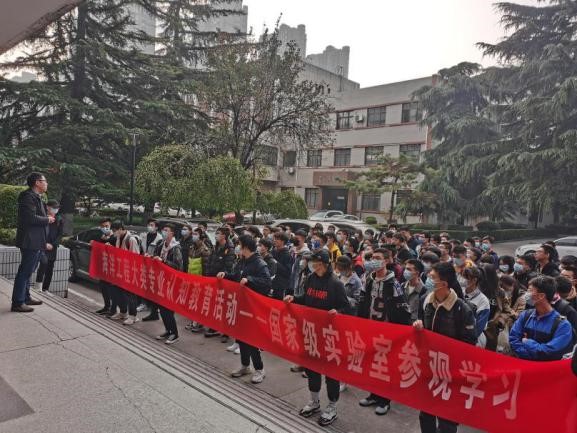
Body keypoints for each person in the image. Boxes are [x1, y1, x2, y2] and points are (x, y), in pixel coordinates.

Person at [284, 250, 350, 427]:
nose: (313, 264)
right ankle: (314, 401)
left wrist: (338, 312)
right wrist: (294, 299)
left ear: (324, 263)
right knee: (312, 368)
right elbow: (305, 298)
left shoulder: (336, 284)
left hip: (329, 336)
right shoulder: (311, 279)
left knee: (331, 373)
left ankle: (332, 407)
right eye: (312, 261)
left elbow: (347, 307)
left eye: (316, 261)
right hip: (311, 332)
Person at [414, 262, 476, 433]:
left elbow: (469, 342)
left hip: (450, 371)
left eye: (432, 277)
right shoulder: (425, 301)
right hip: (429, 366)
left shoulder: (462, 309)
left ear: (444, 283)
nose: (428, 279)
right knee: (426, 412)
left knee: (447, 416)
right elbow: (420, 324)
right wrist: (418, 328)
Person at [357, 248, 410, 416]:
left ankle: (385, 400)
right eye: (372, 257)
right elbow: (362, 302)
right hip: (371, 328)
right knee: (372, 364)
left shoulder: (393, 283)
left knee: (386, 367)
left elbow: (402, 310)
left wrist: (400, 332)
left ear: (386, 261)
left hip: (387, 332)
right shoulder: (368, 279)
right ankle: (373, 394)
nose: (373, 260)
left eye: (378, 258)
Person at [217, 235, 271, 384]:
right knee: (241, 336)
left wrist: (250, 280)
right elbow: (236, 276)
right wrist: (225, 275)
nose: (238, 248)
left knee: (252, 339)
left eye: (240, 245)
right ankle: (245, 365)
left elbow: (267, 283)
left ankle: (259, 369)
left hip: (252, 308)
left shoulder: (259, 264)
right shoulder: (242, 261)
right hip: (241, 305)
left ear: (246, 247)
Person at [12, 172, 54, 312]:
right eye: (44, 181)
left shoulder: (36, 197)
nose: (46, 183)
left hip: (36, 241)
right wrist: (47, 219)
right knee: (25, 271)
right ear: (37, 182)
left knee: (29, 271)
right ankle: (18, 302)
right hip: (30, 241)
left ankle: (25, 297)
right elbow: (30, 218)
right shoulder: (28, 197)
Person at [509, 276, 574, 361]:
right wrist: (529, 355)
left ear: (541, 296)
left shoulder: (563, 325)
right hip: (523, 365)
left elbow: (549, 351)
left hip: (546, 368)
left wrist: (527, 342)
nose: (527, 294)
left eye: (530, 290)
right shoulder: (525, 315)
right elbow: (513, 339)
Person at [202, 227, 236, 337]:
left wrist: (222, 274)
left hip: (222, 281)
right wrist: (208, 275)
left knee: (222, 305)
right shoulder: (216, 246)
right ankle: (214, 326)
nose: (215, 235)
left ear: (224, 236)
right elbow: (210, 261)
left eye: (218, 233)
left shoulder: (229, 249)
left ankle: (224, 330)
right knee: (214, 304)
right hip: (212, 279)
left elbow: (228, 267)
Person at [151, 224, 182, 344]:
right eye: (163, 230)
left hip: (172, 282)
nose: (163, 232)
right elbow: (156, 257)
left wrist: (163, 261)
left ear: (172, 233)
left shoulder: (176, 248)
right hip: (161, 280)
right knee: (162, 308)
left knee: (168, 309)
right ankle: (168, 330)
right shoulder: (161, 244)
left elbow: (178, 266)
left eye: (166, 230)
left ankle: (175, 333)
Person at [110, 221, 141, 325]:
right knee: (118, 291)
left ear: (120, 229)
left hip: (130, 271)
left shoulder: (131, 239)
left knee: (130, 294)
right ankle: (123, 312)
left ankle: (133, 316)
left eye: (115, 230)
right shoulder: (119, 238)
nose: (114, 232)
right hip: (120, 270)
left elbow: (136, 257)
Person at [35, 199, 63, 292]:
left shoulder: (59, 219)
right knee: (43, 264)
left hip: (52, 247)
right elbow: (39, 232)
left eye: (57, 208)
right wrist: (44, 243)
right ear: (48, 207)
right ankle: (38, 286)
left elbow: (60, 234)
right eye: (54, 207)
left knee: (50, 268)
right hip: (43, 245)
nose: (56, 209)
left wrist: (54, 245)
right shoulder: (43, 217)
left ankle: (45, 289)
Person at [141, 219, 163, 321]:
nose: (149, 226)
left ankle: (154, 308)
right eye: (148, 224)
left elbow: (159, 253)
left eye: (152, 225)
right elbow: (141, 249)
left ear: (156, 227)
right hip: (144, 263)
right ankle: (145, 304)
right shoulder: (144, 236)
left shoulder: (159, 239)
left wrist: (151, 256)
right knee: (144, 284)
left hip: (154, 265)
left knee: (153, 286)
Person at [462, 267, 490, 345]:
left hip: (473, 339)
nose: (464, 280)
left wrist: (465, 340)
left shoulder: (483, 301)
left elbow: (479, 327)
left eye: (467, 278)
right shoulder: (459, 292)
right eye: (463, 277)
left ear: (474, 280)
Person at [271, 231, 294, 300]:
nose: (274, 240)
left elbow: (287, 272)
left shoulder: (287, 255)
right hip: (272, 283)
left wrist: (276, 263)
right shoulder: (273, 251)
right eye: (274, 238)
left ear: (283, 241)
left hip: (281, 286)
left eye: (277, 239)